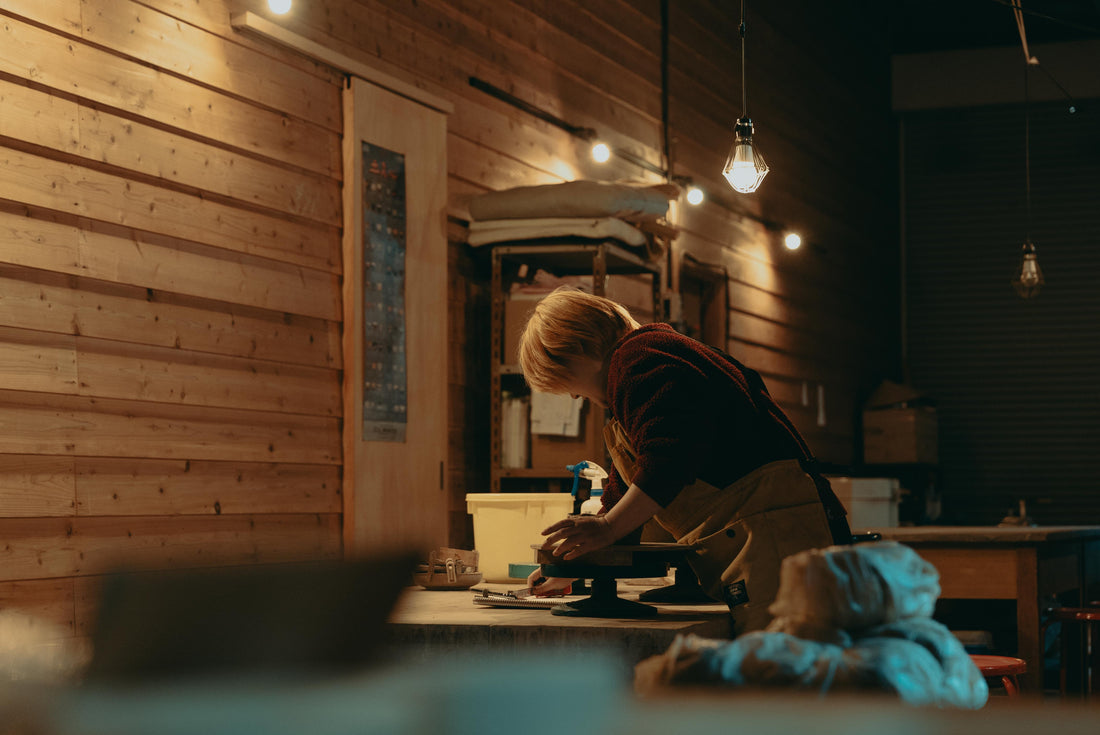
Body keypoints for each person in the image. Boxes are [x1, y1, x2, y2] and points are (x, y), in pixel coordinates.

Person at [518, 286, 851, 635]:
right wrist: (579, 561)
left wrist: (607, 528)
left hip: (784, 539)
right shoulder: (651, 361)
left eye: (567, 381)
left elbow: (668, 459)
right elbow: (630, 489)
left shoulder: (640, 359)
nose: (573, 394)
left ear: (581, 348)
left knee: (792, 671)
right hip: (776, 536)